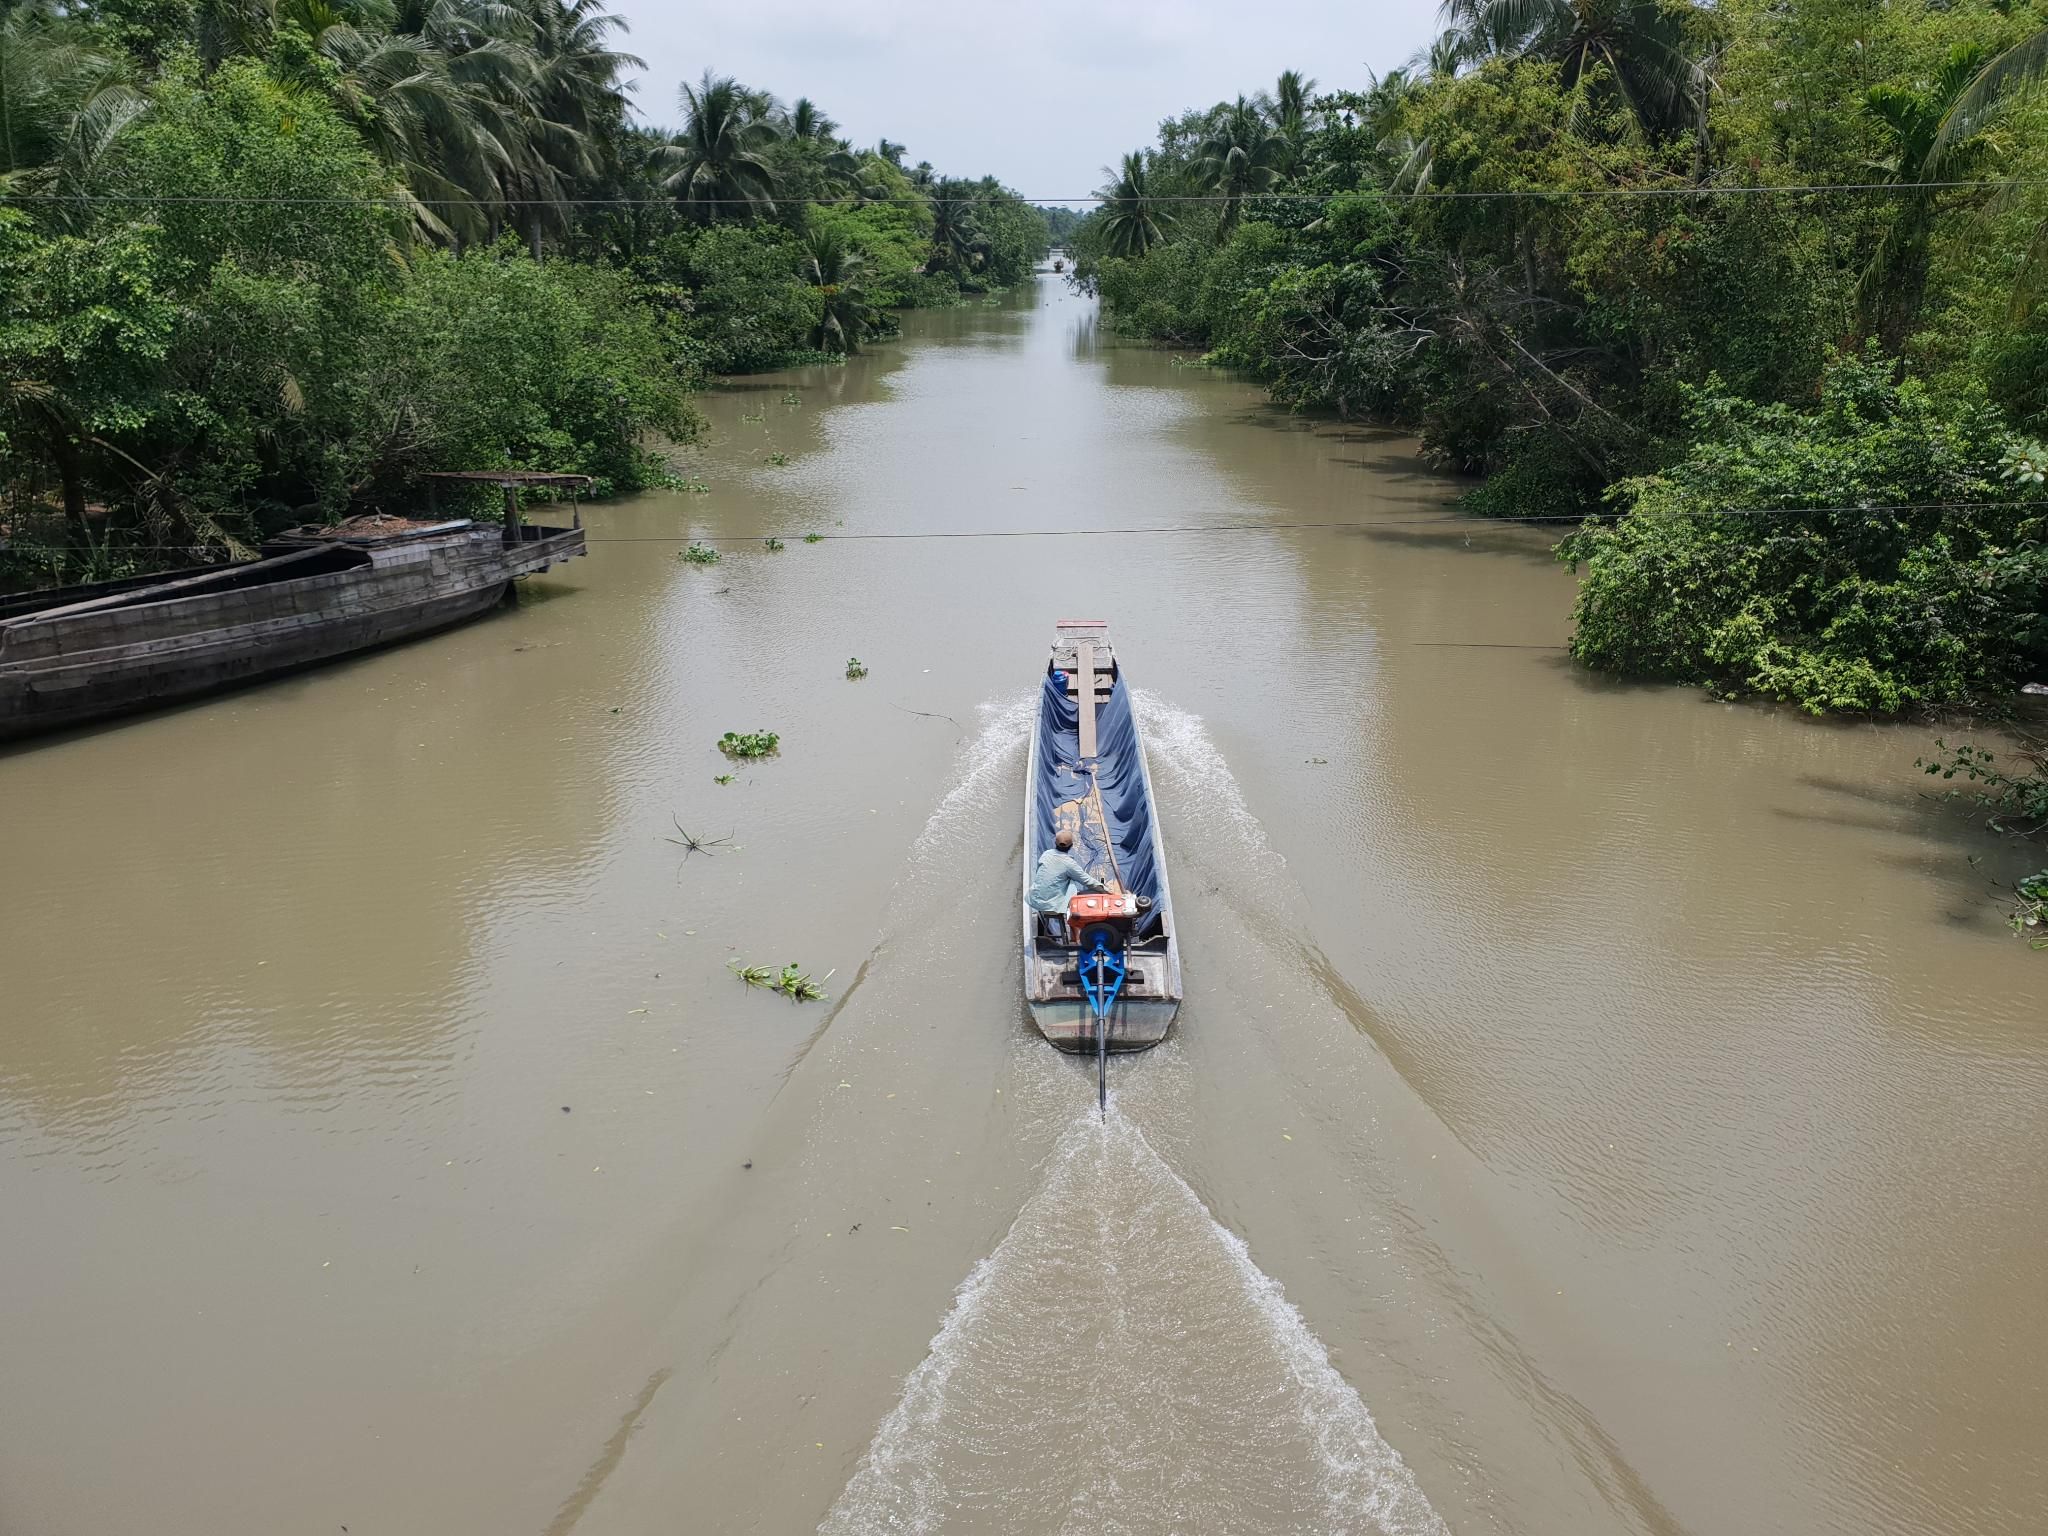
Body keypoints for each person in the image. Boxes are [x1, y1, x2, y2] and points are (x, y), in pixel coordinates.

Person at [1029, 830, 1106, 914]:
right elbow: (1087, 881)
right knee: (1072, 883)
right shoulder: (1069, 864)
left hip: (1034, 900)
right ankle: (1070, 915)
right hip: (1051, 907)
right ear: (1071, 846)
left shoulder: (1046, 854)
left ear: (1055, 843)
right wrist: (1105, 891)